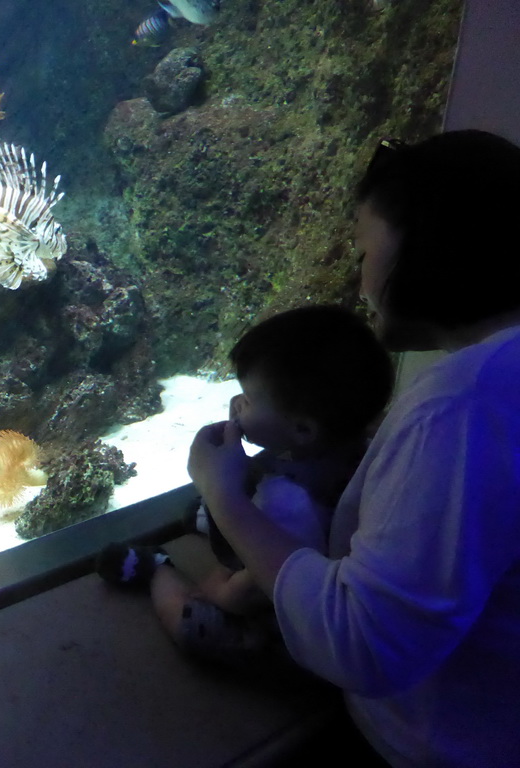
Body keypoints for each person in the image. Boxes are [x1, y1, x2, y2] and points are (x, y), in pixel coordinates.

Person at [187, 129, 520, 767]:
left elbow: (365, 644)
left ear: (421, 247)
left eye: (365, 249)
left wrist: (223, 495)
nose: (360, 276)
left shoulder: (467, 404)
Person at [97, 305, 394, 672]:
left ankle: (155, 569)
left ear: (302, 430)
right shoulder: (349, 445)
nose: (237, 405)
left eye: (249, 399)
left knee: (199, 627)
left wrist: (220, 591)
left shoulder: (289, 501)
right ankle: (210, 520)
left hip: (289, 607)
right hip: (319, 538)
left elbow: (258, 586)